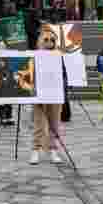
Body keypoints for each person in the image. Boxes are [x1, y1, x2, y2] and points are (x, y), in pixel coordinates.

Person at [30, 26, 64, 164]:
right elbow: (30, 74)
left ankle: (53, 149)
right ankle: (36, 150)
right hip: (39, 93)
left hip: (55, 93)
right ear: (40, 41)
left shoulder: (59, 55)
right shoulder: (35, 56)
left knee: (54, 123)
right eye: (46, 39)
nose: (49, 42)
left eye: (52, 40)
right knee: (38, 123)